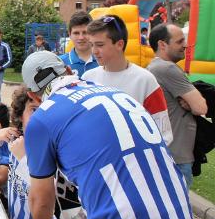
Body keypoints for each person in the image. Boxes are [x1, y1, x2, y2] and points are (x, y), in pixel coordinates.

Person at [21, 51, 196, 219]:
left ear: (33, 96)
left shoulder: (43, 117)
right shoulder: (119, 95)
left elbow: (42, 199)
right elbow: (117, 173)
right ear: (67, 70)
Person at [82, 15, 173, 145]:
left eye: (100, 45)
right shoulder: (87, 79)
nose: (94, 51)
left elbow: (163, 134)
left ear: (120, 44)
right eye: (91, 45)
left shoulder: (145, 80)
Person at [148, 23, 208, 187]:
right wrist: (192, 103)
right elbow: (201, 107)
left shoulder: (153, 67)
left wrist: (189, 103)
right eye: (179, 41)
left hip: (166, 153)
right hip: (177, 157)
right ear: (162, 44)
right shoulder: (167, 69)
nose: (185, 45)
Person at [59, 11, 98, 77]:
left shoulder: (104, 61)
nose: (81, 37)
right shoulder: (60, 63)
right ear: (70, 34)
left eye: (85, 32)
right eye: (76, 33)